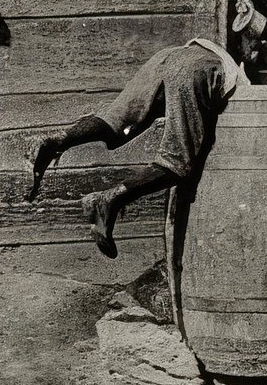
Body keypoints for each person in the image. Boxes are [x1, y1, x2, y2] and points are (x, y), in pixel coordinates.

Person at [29, 38, 250, 259]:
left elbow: (139, 122)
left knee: (114, 125)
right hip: (194, 72)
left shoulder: (213, 53)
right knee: (177, 164)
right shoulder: (242, 83)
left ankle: (56, 139)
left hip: (167, 56)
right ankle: (108, 200)